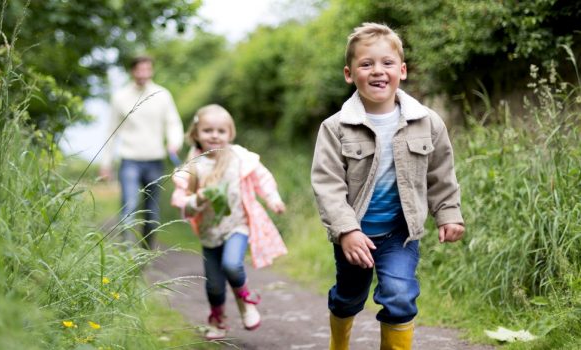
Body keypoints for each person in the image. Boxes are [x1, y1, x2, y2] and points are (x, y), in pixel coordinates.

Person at [310, 23, 465, 350]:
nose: (378, 71)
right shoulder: (335, 128)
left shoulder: (427, 122)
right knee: (349, 298)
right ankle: (338, 343)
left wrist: (448, 214)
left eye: (387, 63)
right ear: (349, 74)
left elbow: (440, 173)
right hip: (355, 232)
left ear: (402, 70)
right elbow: (328, 184)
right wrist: (346, 230)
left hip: (400, 232)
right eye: (366, 64)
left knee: (400, 297)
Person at [170, 104, 288, 340]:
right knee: (214, 285)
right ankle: (218, 319)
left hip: (237, 225)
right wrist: (199, 199)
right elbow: (183, 202)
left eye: (221, 131)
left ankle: (246, 300)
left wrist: (273, 198)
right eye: (208, 130)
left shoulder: (239, 156)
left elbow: (261, 177)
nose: (214, 135)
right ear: (196, 134)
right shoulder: (193, 165)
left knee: (232, 265)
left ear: (230, 134)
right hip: (209, 231)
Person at [100, 55, 184, 249]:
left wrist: (174, 142)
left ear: (151, 71)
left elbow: (173, 123)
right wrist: (106, 163)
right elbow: (111, 132)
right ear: (132, 71)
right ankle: (127, 252)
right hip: (130, 160)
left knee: (151, 213)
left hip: (155, 160)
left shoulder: (162, 94)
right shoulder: (120, 97)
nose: (144, 74)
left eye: (148, 69)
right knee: (129, 207)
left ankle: (145, 252)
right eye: (140, 70)